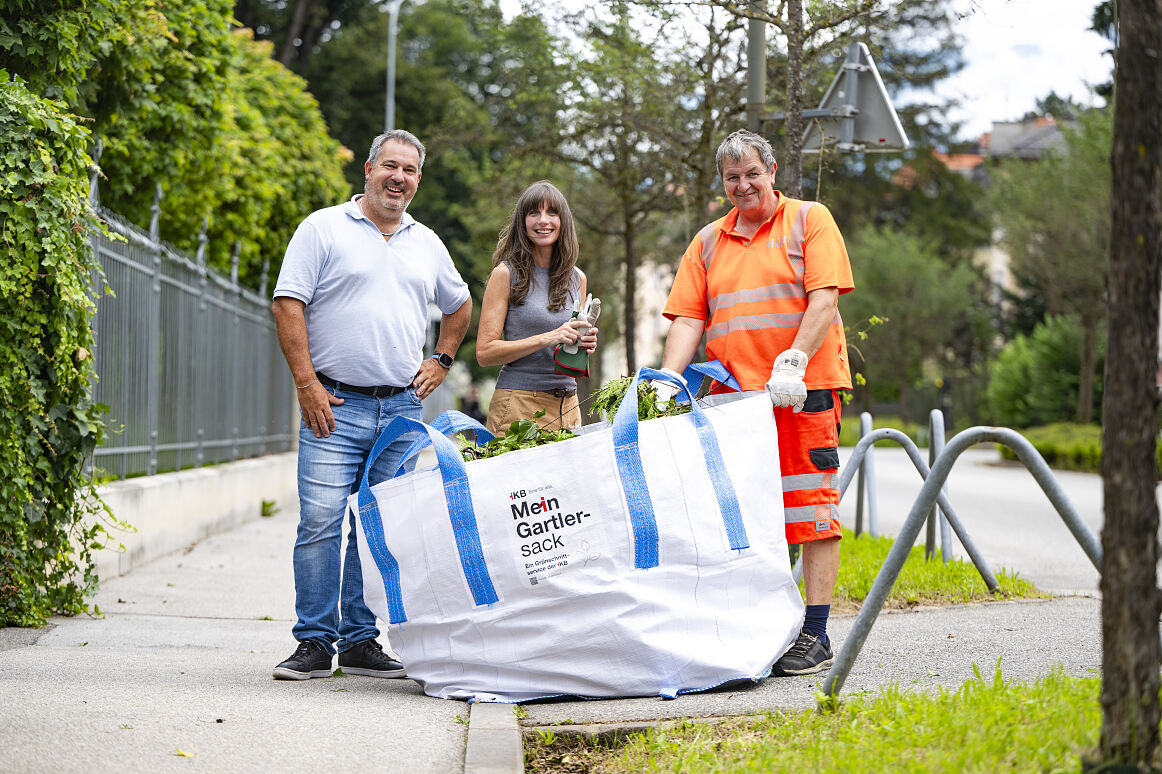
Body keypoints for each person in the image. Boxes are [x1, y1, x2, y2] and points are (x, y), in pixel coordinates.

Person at [270, 129, 472, 680]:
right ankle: (314, 640)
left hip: (401, 410)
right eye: (389, 166)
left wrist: (443, 359)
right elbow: (288, 303)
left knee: (377, 525)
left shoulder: (426, 242)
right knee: (320, 522)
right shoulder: (323, 228)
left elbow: (459, 305)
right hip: (331, 403)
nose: (397, 177)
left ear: (417, 181)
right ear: (367, 168)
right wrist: (306, 383)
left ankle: (361, 640)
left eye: (408, 170)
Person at [655, 129, 853, 677]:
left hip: (801, 392)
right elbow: (691, 316)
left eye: (752, 174)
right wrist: (670, 377)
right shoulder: (707, 242)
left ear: (771, 171)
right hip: (732, 401)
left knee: (809, 509)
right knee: (741, 516)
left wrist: (793, 361)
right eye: (732, 178)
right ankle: (761, 625)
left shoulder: (809, 219)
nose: (743, 186)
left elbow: (824, 297)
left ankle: (815, 632)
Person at [476, 180, 598, 435]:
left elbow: (568, 348)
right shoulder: (505, 274)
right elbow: (485, 352)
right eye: (534, 213)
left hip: (568, 406)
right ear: (523, 222)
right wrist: (550, 337)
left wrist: (584, 343)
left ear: (563, 221)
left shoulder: (578, 278)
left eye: (552, 212)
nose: (544, 220)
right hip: (519, 405)